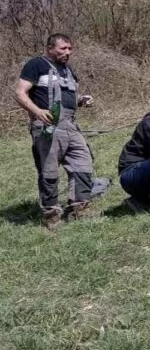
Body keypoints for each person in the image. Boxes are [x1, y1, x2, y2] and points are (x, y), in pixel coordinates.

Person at [14, 33, 95, 228]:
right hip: (47, 126)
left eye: (70, 48)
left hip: (71, 125)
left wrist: (81, 101)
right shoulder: (36, 65)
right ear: (50, 48)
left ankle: (78, 208)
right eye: (63, 48)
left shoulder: (69, 70)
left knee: (83, 164)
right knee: (49, 171)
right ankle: (52, 215)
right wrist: (37, 111)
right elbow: (19, 92)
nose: (68, 52)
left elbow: (66, 98)